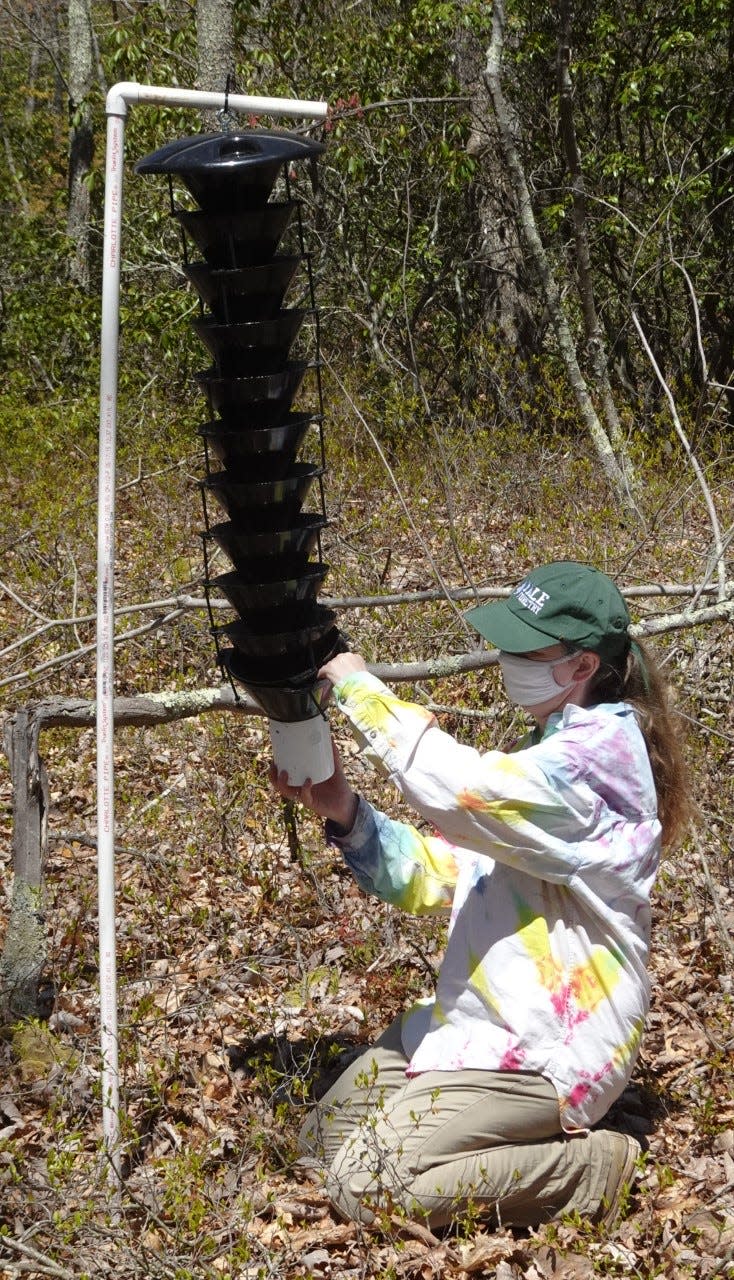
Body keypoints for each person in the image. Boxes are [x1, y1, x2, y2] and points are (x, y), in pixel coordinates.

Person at [271, 561, 690, 1232]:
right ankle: (470, 1133)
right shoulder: (549, 747)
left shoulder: (596, 761)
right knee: (319, 1152)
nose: (508, 659)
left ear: (580, 666)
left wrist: (357, 688)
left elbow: (461, 791)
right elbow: (441, 872)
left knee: (366, 1187)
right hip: (477, 1026)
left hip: (550, 1047)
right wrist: (344, 812)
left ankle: (593, 1169)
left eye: (528, 648)